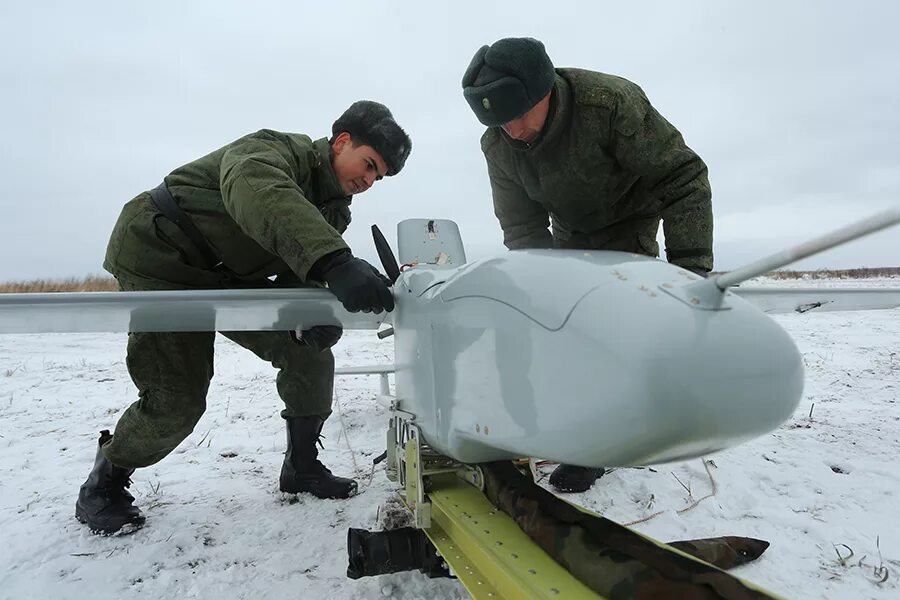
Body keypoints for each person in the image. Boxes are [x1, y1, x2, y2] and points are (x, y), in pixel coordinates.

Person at [76, 101, 411, 534]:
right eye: (368, 165)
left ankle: (302, 467)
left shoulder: (335, 210)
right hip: (160, 255)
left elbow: (296, 273)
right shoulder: (272, 151)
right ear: (342, 142)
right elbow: (260, 193)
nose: (367, 181)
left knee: (307, 350)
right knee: (178, 397)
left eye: (377, 177)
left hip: (228, 277)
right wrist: (334, 262)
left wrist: (312, 309)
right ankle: (104, 483)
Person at [461, 37, 713, 494]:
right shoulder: (498, 144)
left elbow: (683, 177)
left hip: (628, 219)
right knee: (569, 334)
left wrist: (690, 270)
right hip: (570, 231)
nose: (511, 130)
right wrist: (544, 289)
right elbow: (522, 227)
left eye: (517, 115)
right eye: (498, 122)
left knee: (618, 330)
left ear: (544, 92)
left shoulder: (609, 105)